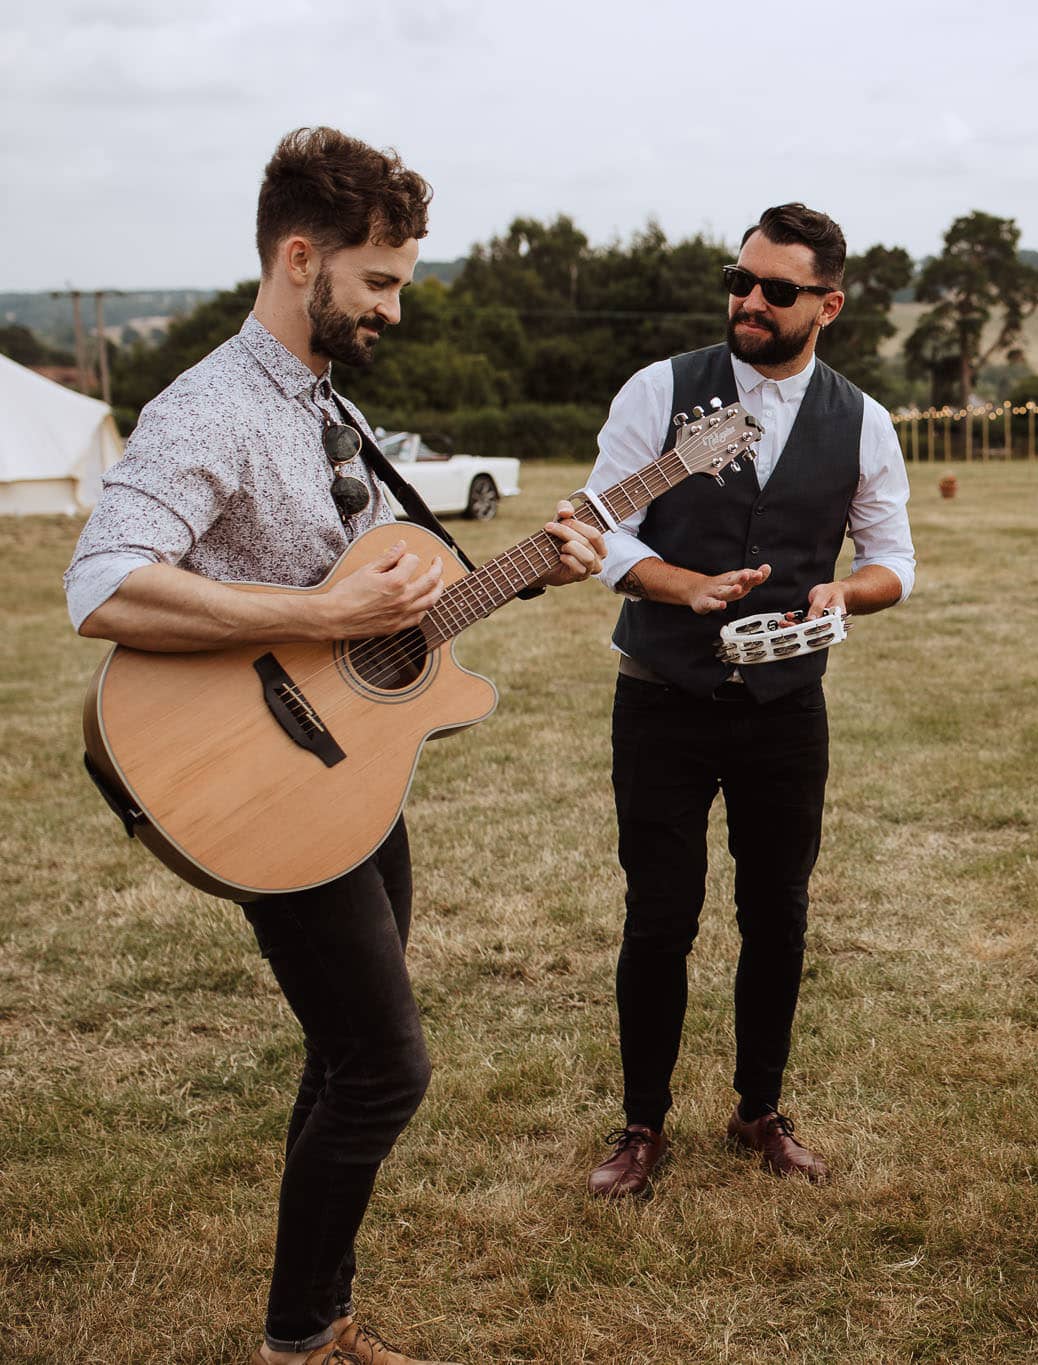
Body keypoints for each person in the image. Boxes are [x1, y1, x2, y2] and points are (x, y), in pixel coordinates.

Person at [64, 127, 606, 1365]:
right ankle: (300, 1339)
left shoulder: (327, 410)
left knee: (346, 1054)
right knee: (385, 1071)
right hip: (251, 786)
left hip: (345, 778)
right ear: (300, 258)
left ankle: (315, 1321)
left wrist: (529, 572)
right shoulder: (209, 406)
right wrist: (319, 616)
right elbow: (99, 584)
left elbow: (391, 600)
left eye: (400, 284)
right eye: (379, 282)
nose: (395, 309)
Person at [584, 203, 914, 1197]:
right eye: (740, 282)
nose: (750, 302)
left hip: (784, 708)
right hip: (662, 696)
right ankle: (641, 1125)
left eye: (776, 290)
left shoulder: (861, 420)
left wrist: (843, 592)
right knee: (660, 914)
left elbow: (893, 558)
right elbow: (602, 523)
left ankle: (757, 1111)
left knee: (777, 914)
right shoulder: (662, 393)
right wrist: (678, 584)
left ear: (828, 304)